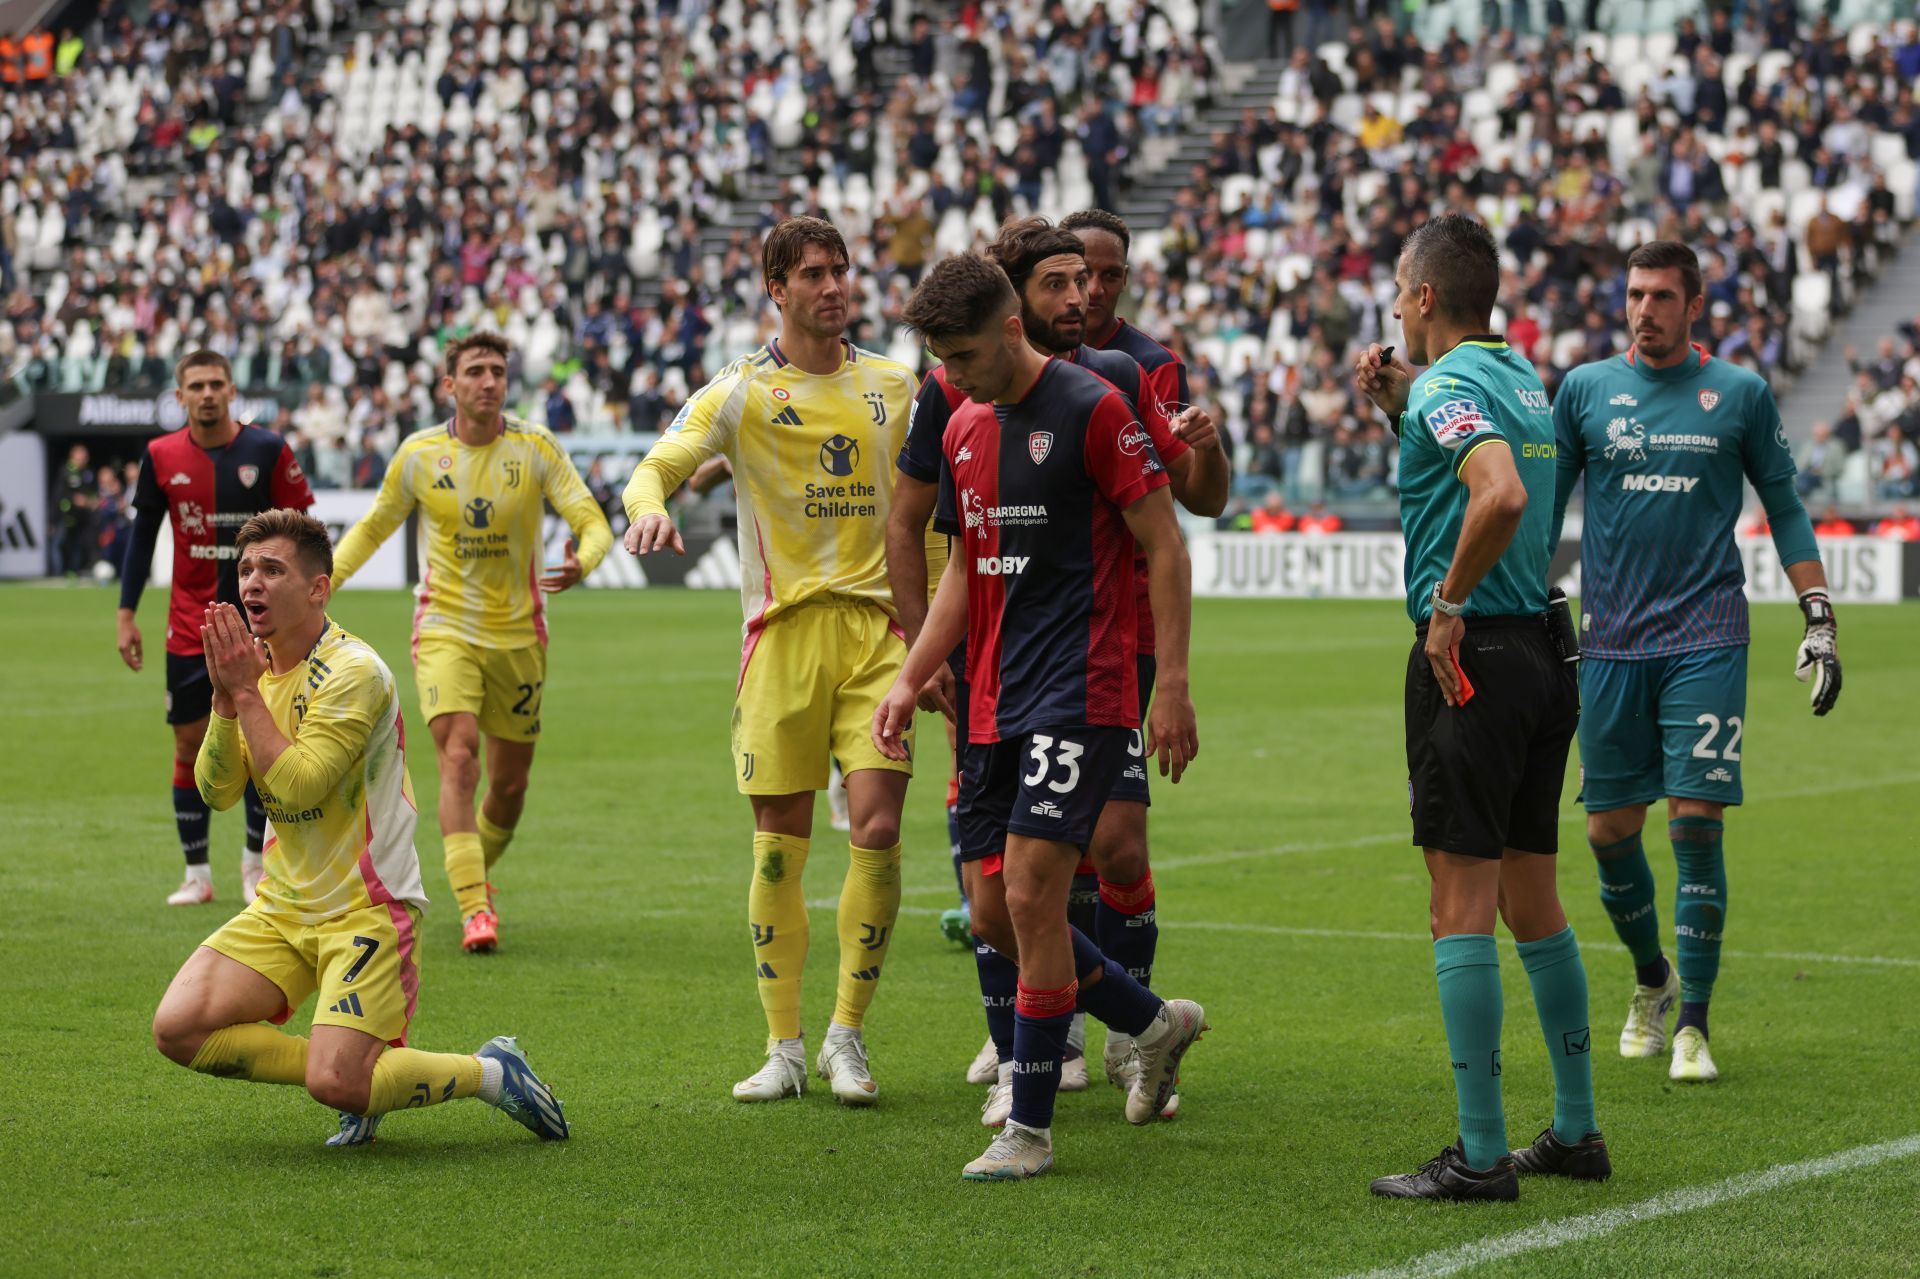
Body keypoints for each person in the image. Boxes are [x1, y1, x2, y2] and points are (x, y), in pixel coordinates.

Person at [876, 252, 1208, 1181]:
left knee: (1031, 890)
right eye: (942, 359)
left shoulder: (1093, 406)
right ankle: (1151, 1021)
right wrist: (911, 677)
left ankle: (1027, 1126)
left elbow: (1165, 543)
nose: (953, 375)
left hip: (1083, 685)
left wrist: (1171, 684)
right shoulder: (964, 424)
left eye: (966, 355)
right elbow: (960, 569)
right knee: (994, 912)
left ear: (1011, 329)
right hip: (991, 693)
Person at [150, 509, 569, 1147]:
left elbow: (297, 785)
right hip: (283, 907)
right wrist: (222, 701)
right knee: (177, 1029)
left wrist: (244, 694)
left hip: (366, 909)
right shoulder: (250, 671)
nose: (252, 585)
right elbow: (217, 791)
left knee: (336, 1084)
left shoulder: (355, 673)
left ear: (318, 589)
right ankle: (364, 1070)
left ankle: (490, 1071)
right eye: (245, 571)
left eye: (272, 570)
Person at [622, 217, 920, 1107]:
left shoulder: (898, 387)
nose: (833, 287)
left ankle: (846, 1035)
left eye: (842, 271)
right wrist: (649, 510)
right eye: (814, 275)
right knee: (779, 849)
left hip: (879, 637)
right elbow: (654, 467)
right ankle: (783, 1045)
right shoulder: (741, 392)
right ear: (777, 290)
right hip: (781, 641)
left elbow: (928, 515)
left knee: (875, 829)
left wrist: (936, 638)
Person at [1352, 214, 1601, 1202]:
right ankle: (1577, 1130)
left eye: (1400, 296)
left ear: (1421, 298)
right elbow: (1478, 465)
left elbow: (1491, 493)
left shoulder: (1452, 386)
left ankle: (1482, 1152)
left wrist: (1447, 607)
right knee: (1532, 897)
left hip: (1477, 657)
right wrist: (1394, 408)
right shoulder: (1515, 378)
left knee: (1457, 902)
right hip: (1546, 648)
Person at [1551, 240, 1840, 1089]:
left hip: (1709, 633)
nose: (1645, 309)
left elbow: (1784, 506)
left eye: (1662, 296)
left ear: (1695, 302)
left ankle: (1694, 1023)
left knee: (1695, 823)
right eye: (1635, 293)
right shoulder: (1585, 390)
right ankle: (1652, 978)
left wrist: (1818, 615)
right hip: (1608, 639)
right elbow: (1544, 505)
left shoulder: (1740, 395)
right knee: (1608, 833)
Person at [330, 333, 614, 954]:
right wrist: (324, 581)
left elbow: (592, 522)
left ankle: (472, 875)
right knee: (459, 757)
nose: (489, 381)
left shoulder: (535, 448)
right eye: (475, 371)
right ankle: (473, 909)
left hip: (518, 635)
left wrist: (585, 561)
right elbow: (375, 526)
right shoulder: (419, 454)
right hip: (444, 626)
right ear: (448, 384)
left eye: (497, 371)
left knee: (510, 787)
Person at [118, 351, 316, 907]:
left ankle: (255, 865)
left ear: (232, 390)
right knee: (187, 744)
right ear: (179, 396)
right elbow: (142, 538)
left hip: (263, 628)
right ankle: (196, 874)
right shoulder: (160, 455)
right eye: (196, 386)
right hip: (189, 628)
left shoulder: (267, 450)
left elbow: (305, 527)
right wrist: (126, 612)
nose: (207, 394)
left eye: (216, 384)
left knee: (262, 740)